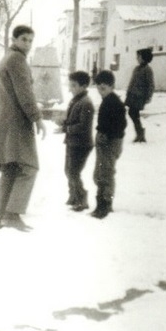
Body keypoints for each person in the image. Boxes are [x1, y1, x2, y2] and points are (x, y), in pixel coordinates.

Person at [0, 25, 46, 231]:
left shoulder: (7, 58)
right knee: (29, 167)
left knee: (10, 170)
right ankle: (11, 214)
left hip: (4, 124)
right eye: (24, 39)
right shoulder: (17, 60)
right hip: (16, 125)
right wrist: (37, 118)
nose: (27, 44)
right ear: (14, 39)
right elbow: (25, 94)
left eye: (30, 40)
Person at [91, 70, 127, 219]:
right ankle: (100, 203)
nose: (101, 92)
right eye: (98, 88)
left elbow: (121, 125)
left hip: (111, 143)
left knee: (106, 173)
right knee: (99, 174)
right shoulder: (107, 101)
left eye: (104, 88)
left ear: (112, 86)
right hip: (104, 142)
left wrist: (108, 135)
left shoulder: (116, 103)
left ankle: (106, 204)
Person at [61, 70, 94, 212]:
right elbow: (72, 120)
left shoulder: (86, 103)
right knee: (68, 170)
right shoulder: (76, 100)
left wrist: (66, 129)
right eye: (70, 85)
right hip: (72, 142)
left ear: (84, 86)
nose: (70, 89)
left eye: (73, 86)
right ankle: (73, 195)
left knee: (73, 171)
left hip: (81, 144)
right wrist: (63, 123)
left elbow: (83, 126)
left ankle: (82, 198)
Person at [125, 47, 154, 143]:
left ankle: (140, 133)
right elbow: (132, 81)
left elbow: (151, 84)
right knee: (132, 113)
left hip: (139, 96)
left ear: (144, 57)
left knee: (133, 113)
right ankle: (140, 133)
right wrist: (128, 92)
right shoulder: (137, 68)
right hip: (132, 94)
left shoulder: (147, 69)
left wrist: (149, 96)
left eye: (138, 56)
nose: (137, 58)